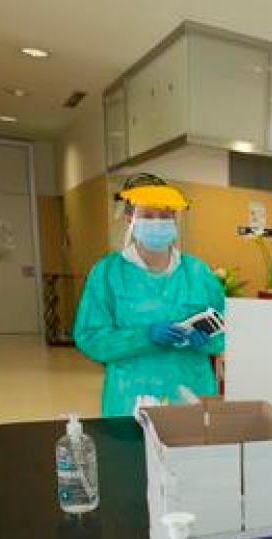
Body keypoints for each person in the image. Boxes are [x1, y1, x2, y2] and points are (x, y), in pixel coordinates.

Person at [74, 174, 226, 416]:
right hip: (130, 398)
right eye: (148, 216)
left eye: (165, 216)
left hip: (191, 392)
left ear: (175, 221)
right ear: (129, 219)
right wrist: (144, 336)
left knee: (189, 452)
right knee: (132, 453)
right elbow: (90, 337)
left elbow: (228, 328)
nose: (158, 223)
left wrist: (208, 340)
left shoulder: (197, 272)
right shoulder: (107, 273)